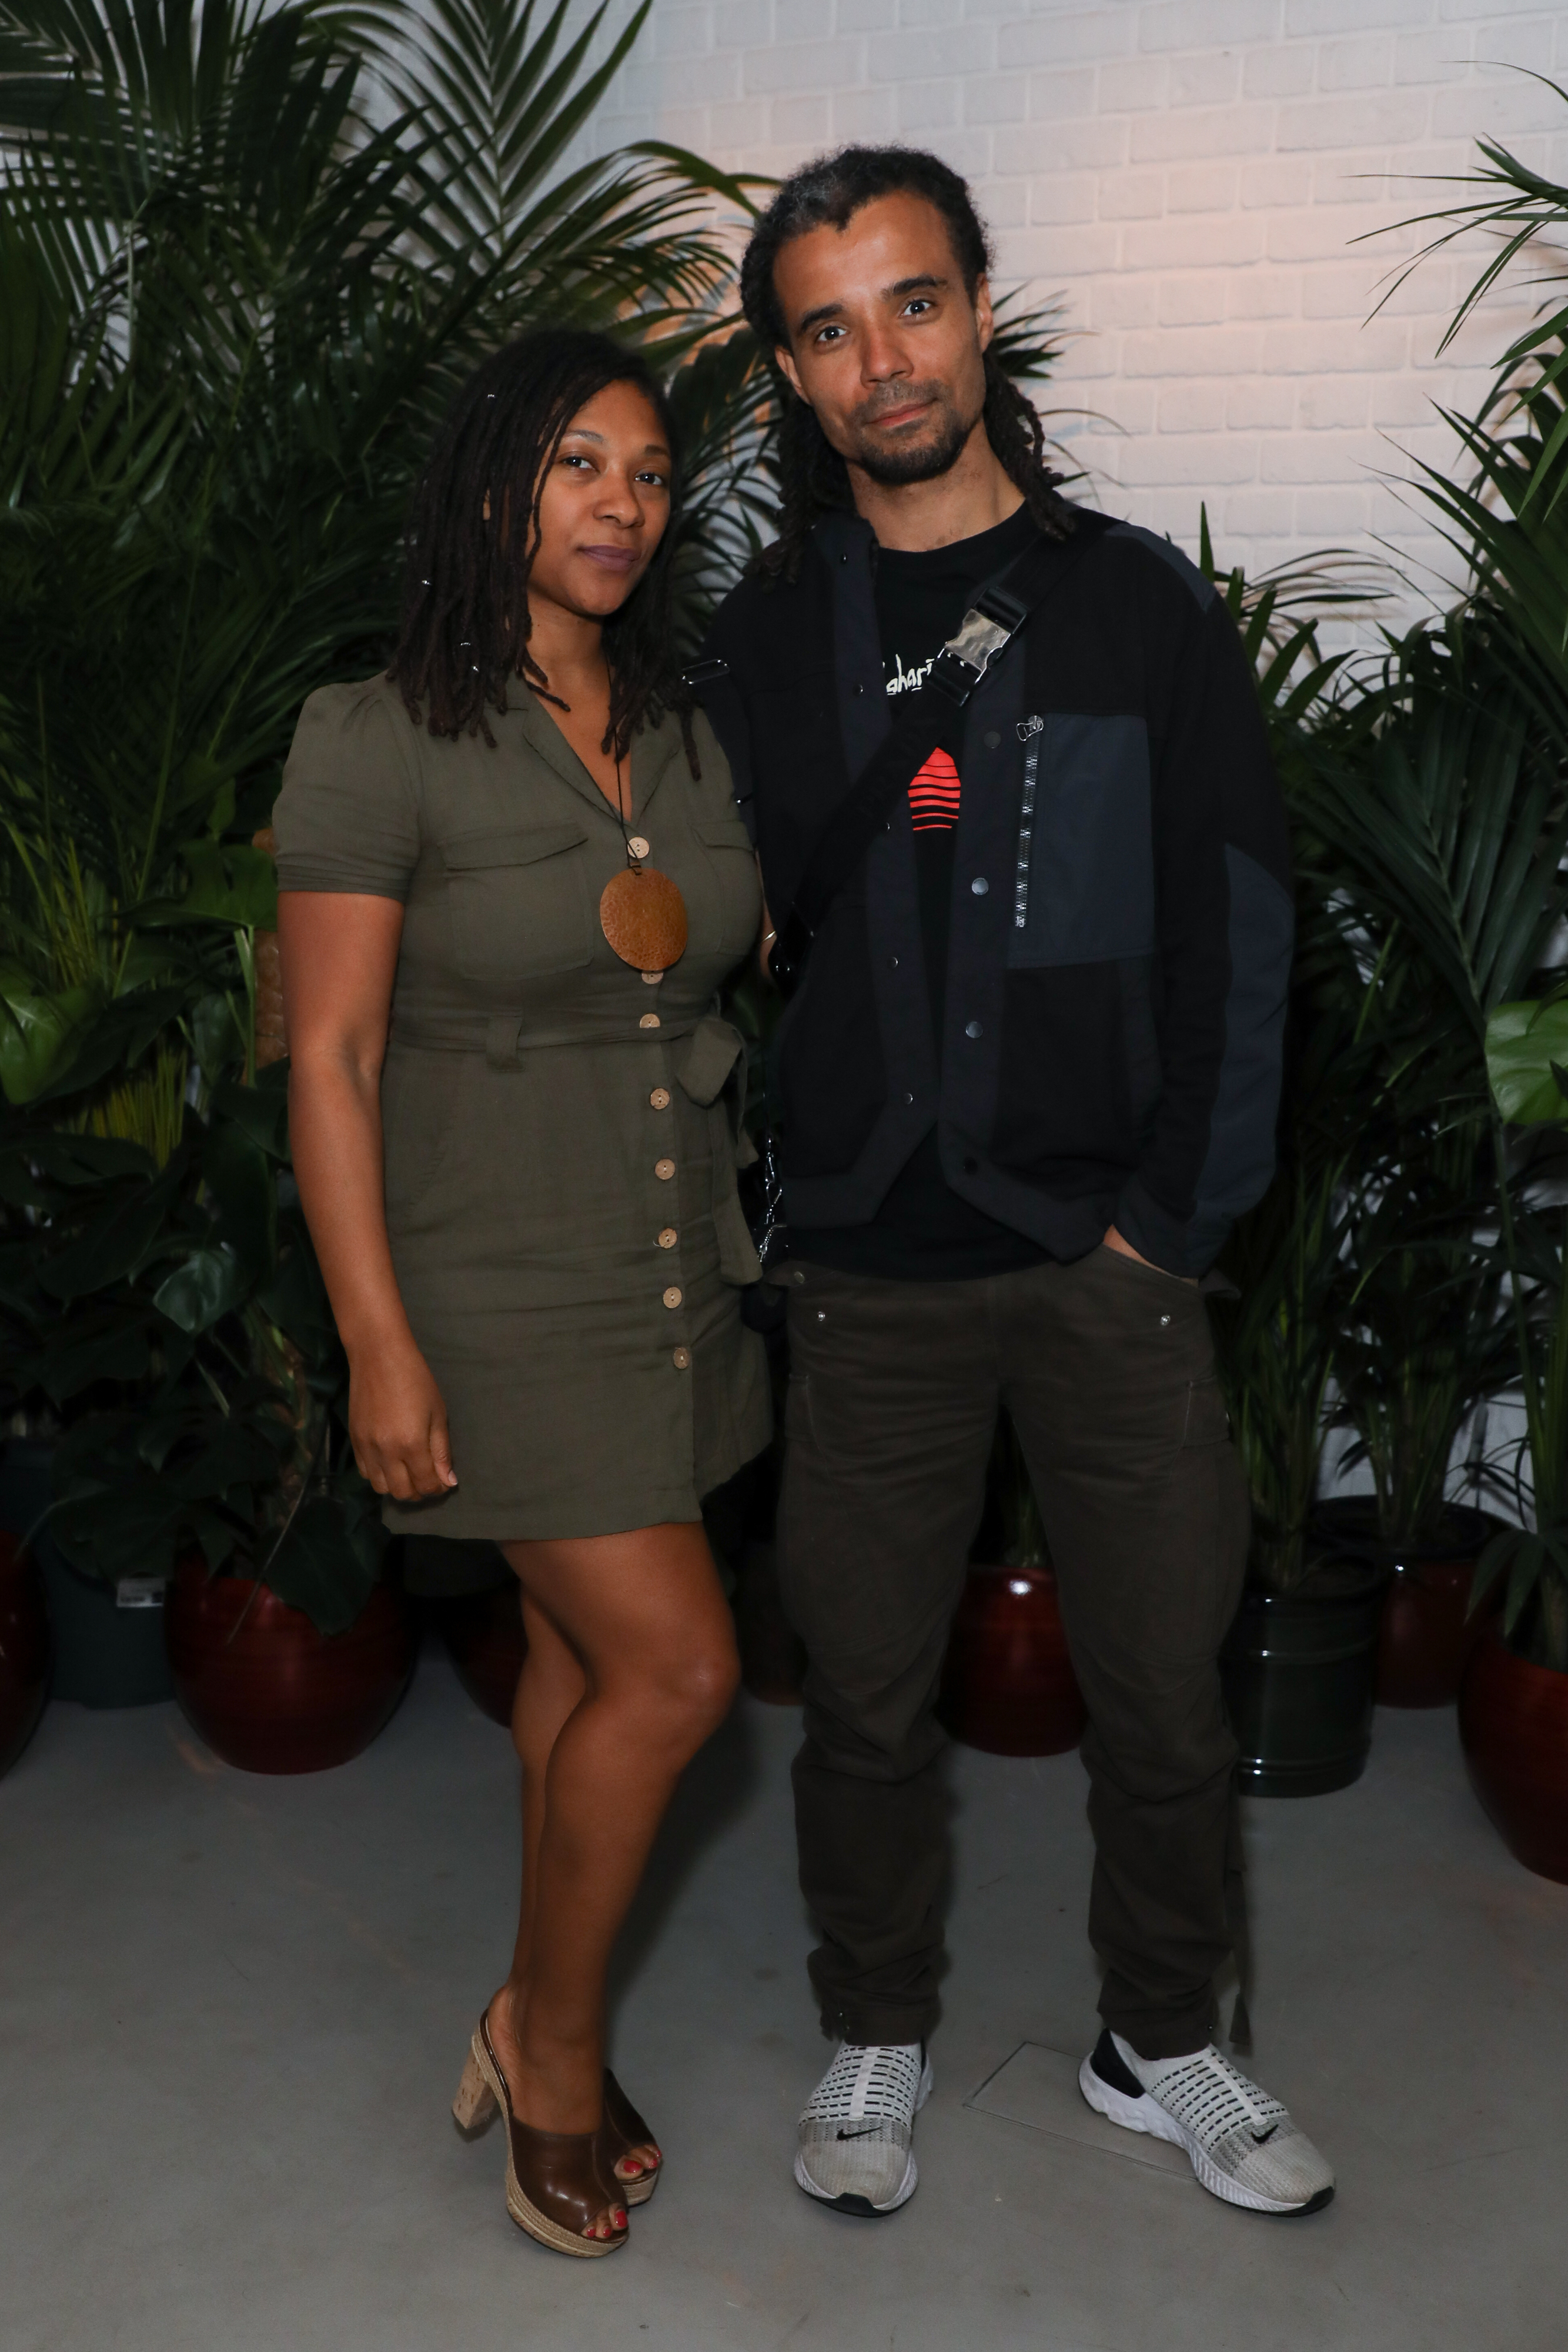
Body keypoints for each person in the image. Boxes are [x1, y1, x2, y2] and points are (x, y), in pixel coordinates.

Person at [697, 146, 1335, 2221]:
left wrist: (1176, 1220)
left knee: (1163, 1690)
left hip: (1103, 1256)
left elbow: (1241, 930)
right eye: (824, 326)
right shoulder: (764, 638)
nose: (876, 357)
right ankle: (875, 2027)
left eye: (909, 302)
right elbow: (688, 920)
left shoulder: (1134, 607)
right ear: (788, 375)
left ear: (980, 310)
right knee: (865, 1703)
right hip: (869, 1274)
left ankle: (1160, 2042)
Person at [273, 329, 770, 2258]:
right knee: (682, 1670)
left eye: (647, 474)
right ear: (494, 485)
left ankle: (522, 1997)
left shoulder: (688, 731)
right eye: (577, 463)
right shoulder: (374, 730)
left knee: (579, 1670)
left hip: (672, 1273)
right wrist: (376, 1343)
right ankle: (549, 2053)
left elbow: (705, 972)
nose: (620, 506)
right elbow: (329, 1060)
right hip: (486, 1285)